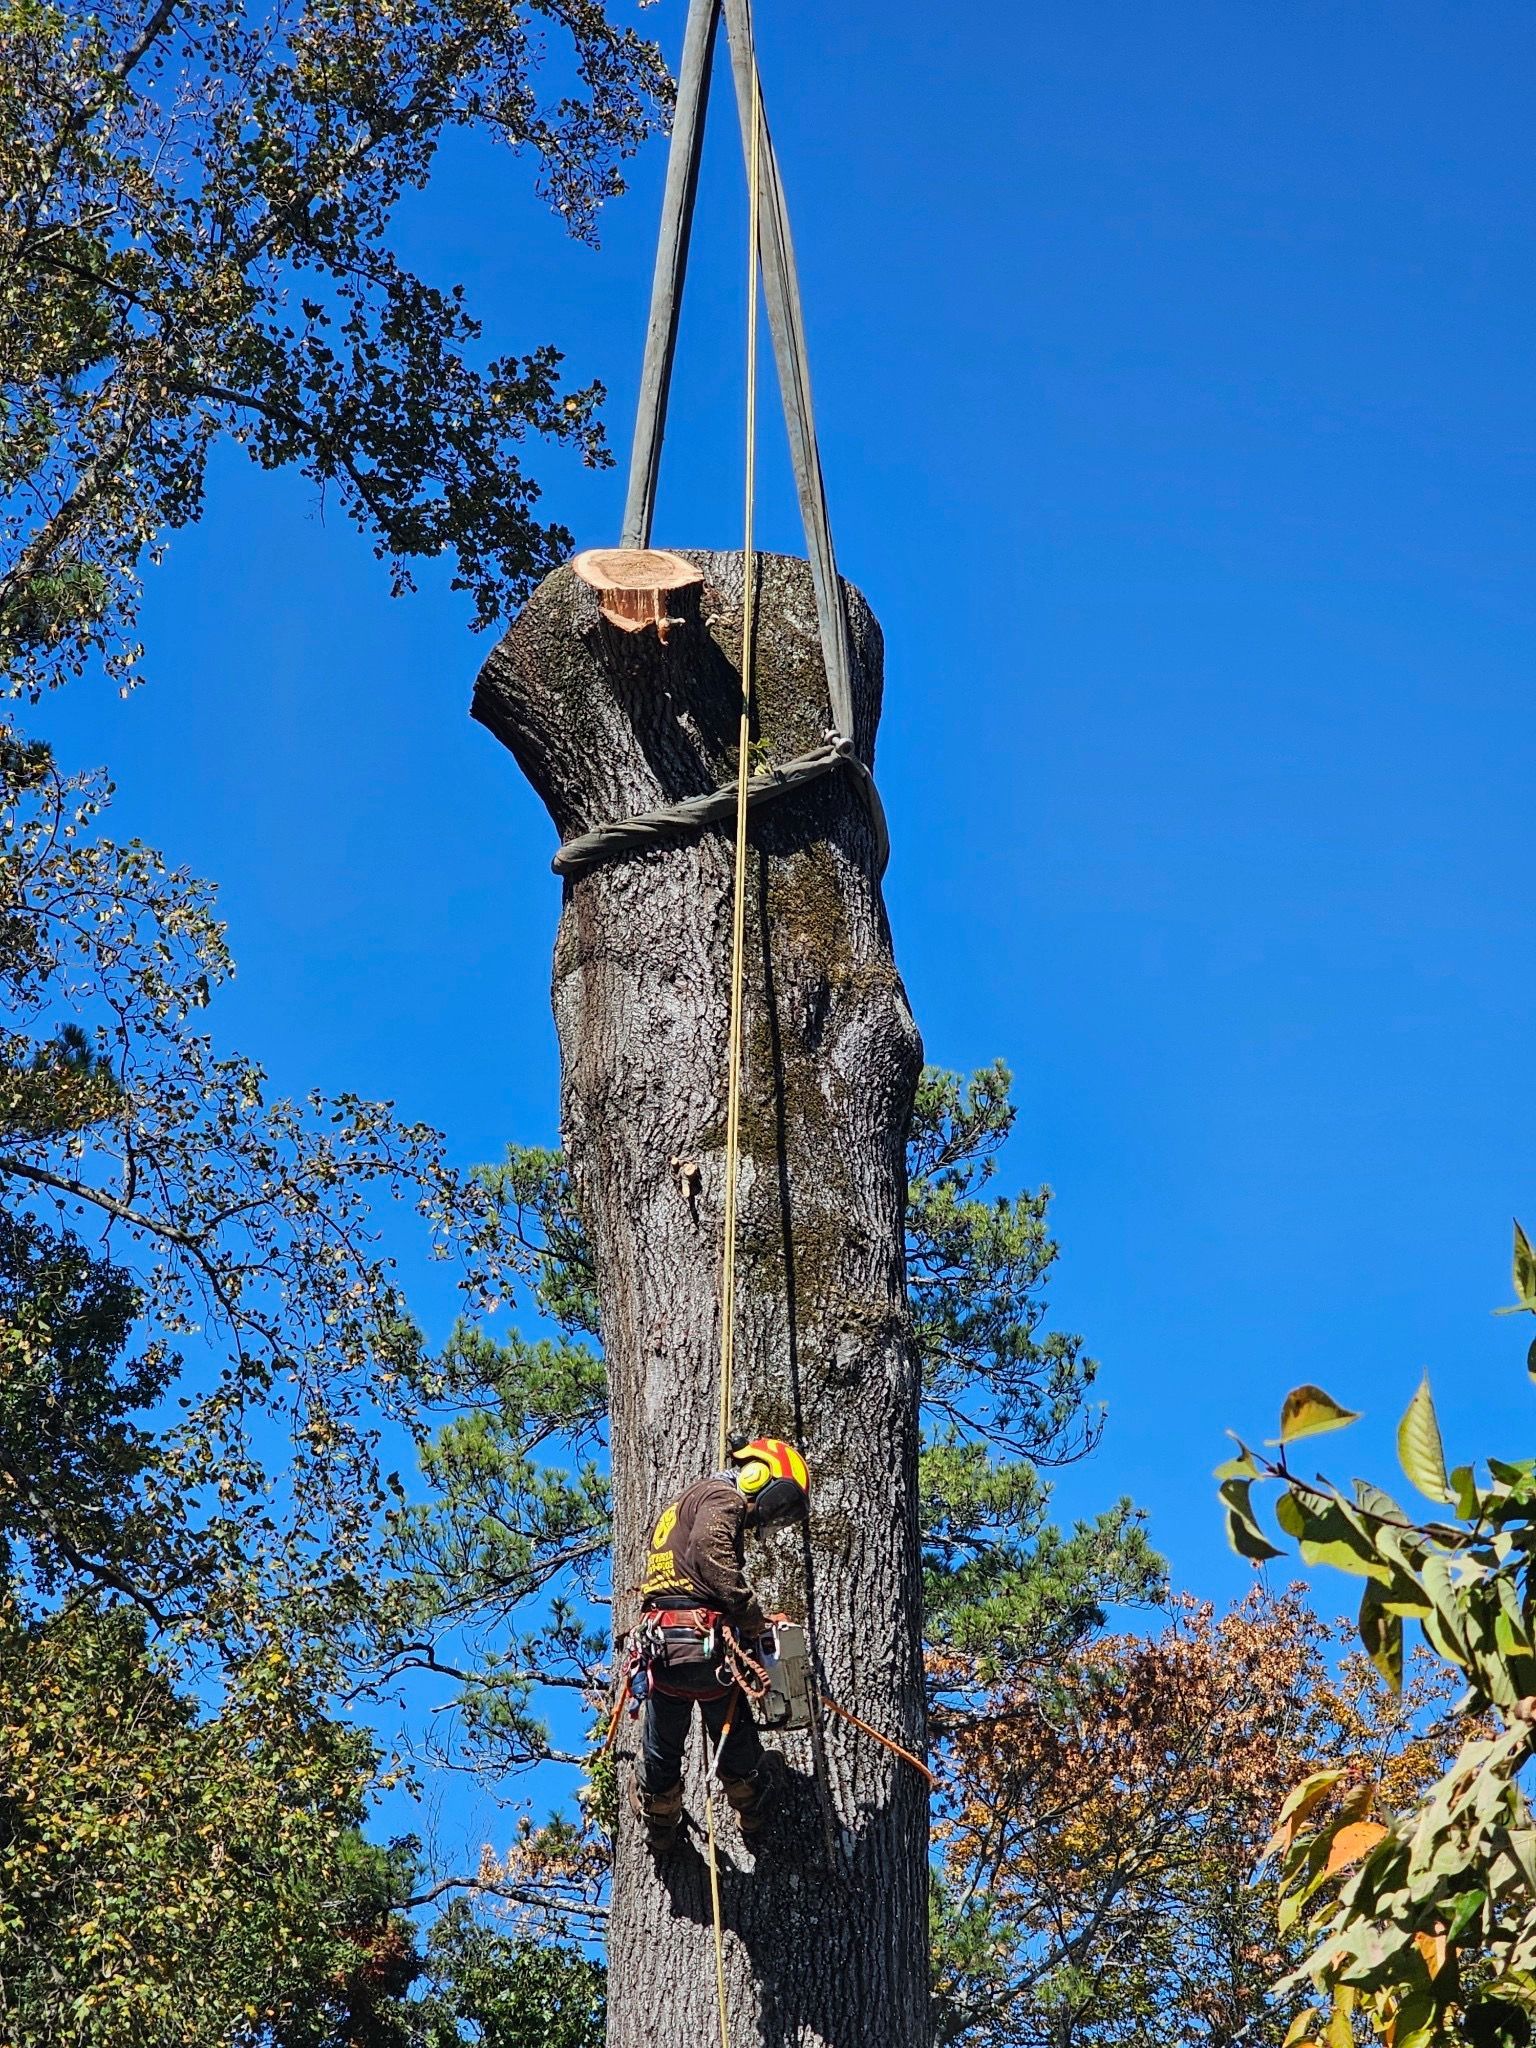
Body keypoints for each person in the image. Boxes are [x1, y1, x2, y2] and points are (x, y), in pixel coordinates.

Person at [628, 1435, 809, 1853]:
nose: (773, 1515)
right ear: (756, 1474)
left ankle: (659, 1816)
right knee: (733, 1732)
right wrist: (752, 1618)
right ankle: (752, 1804)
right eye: (778, 1501)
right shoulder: (721, 1498)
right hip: (703, 1646)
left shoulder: (685, 1504)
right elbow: (711, 1554)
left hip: (663, 1651)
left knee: (663, 1739)